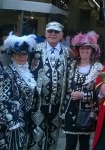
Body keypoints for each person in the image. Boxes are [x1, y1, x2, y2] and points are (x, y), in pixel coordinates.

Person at [28, 21, 74, 150]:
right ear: (45, 33)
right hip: (38, 104)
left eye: (56, 32)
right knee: (36, 137)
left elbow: (71, 75)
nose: (53, 34)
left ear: (61, 35)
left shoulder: (68, 52)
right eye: (50, 31)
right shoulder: (35, 49)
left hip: (58, 105)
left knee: (53, 138)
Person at [61, 31, 103, 150]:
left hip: (88, 111)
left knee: (84, 144)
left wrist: (83, 95)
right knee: (70, 144)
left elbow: (100, 91)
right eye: (82, 49)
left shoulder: (99, 68)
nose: (84, 51)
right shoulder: (71, 66)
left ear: (92, 51)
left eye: (87, 49)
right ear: (78, 51)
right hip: (70, 110)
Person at [0, 32, 37, 150]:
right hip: (12, 124)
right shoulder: (7, 74)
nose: (22, 57)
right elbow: (4, 100)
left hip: (25, 120)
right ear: (11, 55)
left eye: (24, 54)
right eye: (18, 54)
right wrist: (13, 123)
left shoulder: (28, 73)